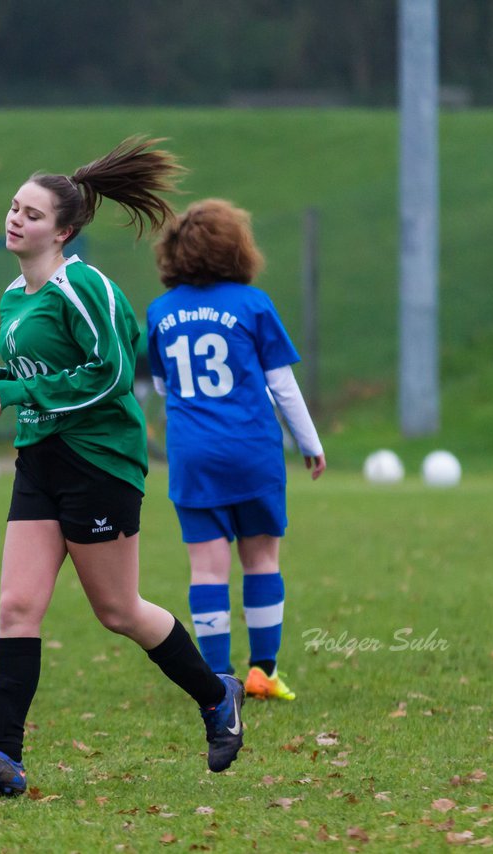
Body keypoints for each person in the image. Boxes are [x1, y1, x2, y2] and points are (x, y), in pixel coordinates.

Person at [0, 138, 245, 798]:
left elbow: (108, 375)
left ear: (65, 230)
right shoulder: (13, 293)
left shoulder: (84, 286)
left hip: (99, 464)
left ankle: (216, 692)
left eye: (31, 213)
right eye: (13, 207)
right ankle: (3, 757)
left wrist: (24, 392)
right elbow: (45, 371)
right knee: (17, 605)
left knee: (118, 610)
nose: (15, 219)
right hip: (42, 460)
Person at [146, 199, 325, 703]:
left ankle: (219, 680)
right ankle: (262, 672)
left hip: (192, 454)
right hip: (251, 450)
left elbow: (162, 385)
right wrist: (309, 443)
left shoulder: (161, 311)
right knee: (262, 560)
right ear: (237, 249)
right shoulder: (253, 304)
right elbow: (283, 387)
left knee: (206, 569)